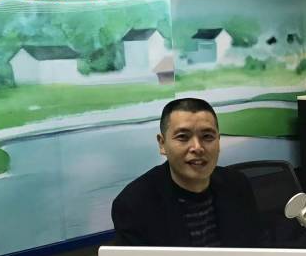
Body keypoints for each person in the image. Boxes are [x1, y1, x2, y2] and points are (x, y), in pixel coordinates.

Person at [111, 97, 262, 247]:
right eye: (183, 137)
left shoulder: (237, 184)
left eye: (207, 137)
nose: (197, 147)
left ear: (218, 140)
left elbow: (255, 247)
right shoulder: (134, 204)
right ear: (162, 144)